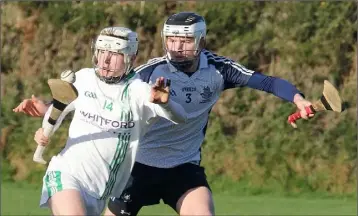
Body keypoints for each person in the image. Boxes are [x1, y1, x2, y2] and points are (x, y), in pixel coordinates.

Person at [14, 13, 314, 216]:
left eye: (185, 41)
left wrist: (298, 99)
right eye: (171, 40)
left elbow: (268, 82)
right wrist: (46, 108)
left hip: (183, 167)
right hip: (136, 168)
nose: (177, 47)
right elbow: (96, 96)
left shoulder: (220, 70)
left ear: (200, 42)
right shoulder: (148, 73)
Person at [13, 26, 188, 216]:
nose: (105, 59)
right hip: (67, 173)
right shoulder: (83, 78)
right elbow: (60, 107)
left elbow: (180, 117)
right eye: (102, 51)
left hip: (100, 192)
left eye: (114, 53)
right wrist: (44, 127)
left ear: (131, 57)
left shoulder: (140, 92)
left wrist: (166, 103)